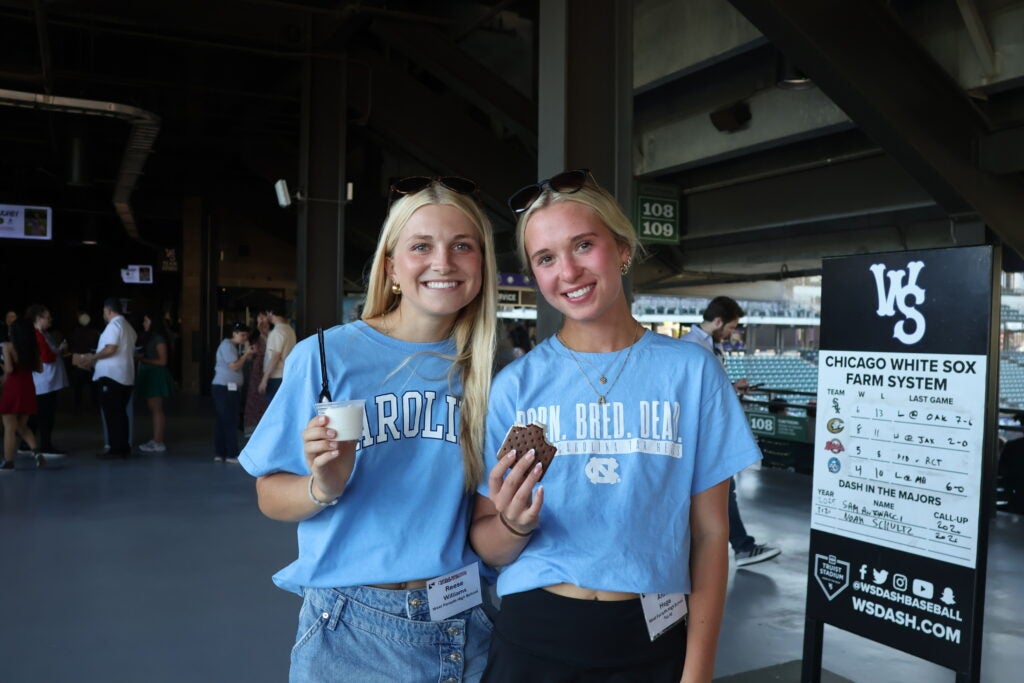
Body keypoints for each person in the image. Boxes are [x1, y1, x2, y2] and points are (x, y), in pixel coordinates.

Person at [470, 169, 763, 682]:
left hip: (650, 635)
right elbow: (488, 544)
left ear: (622, 249)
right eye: (546, 258)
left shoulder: (691, 373)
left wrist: (697, 672)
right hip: (534, 635)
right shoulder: (515, 386)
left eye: (584, 245)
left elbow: (711, 534)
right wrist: (513, 524)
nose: (568, 271)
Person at [240, 175, 497, 682]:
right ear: (391, 266)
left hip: (464, 621)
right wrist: (323, 486)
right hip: (350, 630)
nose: (443, 262)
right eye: (421, 246)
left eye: (462, 246)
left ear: (482, 264)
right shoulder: (326, 357)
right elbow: (269, 494)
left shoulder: (491, 373)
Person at [682, 296, 782, 568]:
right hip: (698, 434)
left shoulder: (706, 345)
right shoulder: (691, 346)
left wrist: (732, 387)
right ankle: (741, 548)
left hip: (707, 432)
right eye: (731, 327)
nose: (732, 332)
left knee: (723, 489)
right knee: (722, 488)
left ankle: (740, 547)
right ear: (718, 321)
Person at [84, 298, 137, 460]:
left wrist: (93, 357)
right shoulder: (128, 327)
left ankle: (115, 449)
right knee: (121, 413)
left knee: (112, 413)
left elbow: (111, 348)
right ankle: (123, 447)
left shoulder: (114, 325)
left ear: (109, 311)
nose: (103, 315)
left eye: (104, 311)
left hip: (112, 375)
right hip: (125, 376)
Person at [1, 317, 43, 469]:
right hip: (28, 388)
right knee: (21, 425)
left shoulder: (8, 346)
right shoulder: (34, 348)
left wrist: (2, 365)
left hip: (13, 388)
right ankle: (37, 453)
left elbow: (9, 369)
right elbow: (40, 369)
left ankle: (8, 461)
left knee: (9, 427)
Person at [27, 305, 69, 453]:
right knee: (45, 415)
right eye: (47, 317)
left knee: (38, 414)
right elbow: (47, 357)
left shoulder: (43, 333)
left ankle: (28, 444)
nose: (50, 319)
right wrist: (60, 350)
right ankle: (45, 445)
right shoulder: (37, 335)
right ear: (38, 318)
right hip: (44, 382)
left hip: (47, 381)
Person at [212, 322, 254, 463]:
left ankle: (220, 453)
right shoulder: (227, 346)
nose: (244, 338)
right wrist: (246, 354)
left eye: (246, 336)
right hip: (225, 388)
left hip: (227, 388)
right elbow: (234, 366)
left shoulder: (232, 346)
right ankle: (231, 454)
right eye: (242, 335)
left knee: (223, 420)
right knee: (230, 420)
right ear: (234, 333)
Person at [136, 312, 175, 453]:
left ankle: (158, 441)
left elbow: (163, 361)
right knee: (154, 408)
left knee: (157, 408)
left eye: (146, 321)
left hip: (156, 375)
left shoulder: (159, 339)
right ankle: (156, 439)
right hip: (151, 374)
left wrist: (142, 359)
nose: (144, 324)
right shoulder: (152, 337)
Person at [258, 302, 296, 407]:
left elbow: (275, 356)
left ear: (271, 313)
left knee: (273, 407)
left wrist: (264, 379)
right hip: (286, 374)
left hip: (276, 376)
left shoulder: (277, 332)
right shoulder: (289, 330)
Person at [243, 313, 270, 437]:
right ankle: (252, 430)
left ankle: (265, 429)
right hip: (256, 370)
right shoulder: (252, 336)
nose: (261, 321)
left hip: (268, 370)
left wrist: (264, 331)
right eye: (259, 318)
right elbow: (247, 353)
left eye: (263, 318)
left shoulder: (272, 334)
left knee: (265, 400)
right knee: (254, 397)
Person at [69, 312, 101, 409]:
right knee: (93, 385)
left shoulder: (75, 332)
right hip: (91, 360)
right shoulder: (95, 332)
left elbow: (71, 345)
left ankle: (78, 406)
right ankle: (94, 405)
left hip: (79, 360)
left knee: (78, 387)